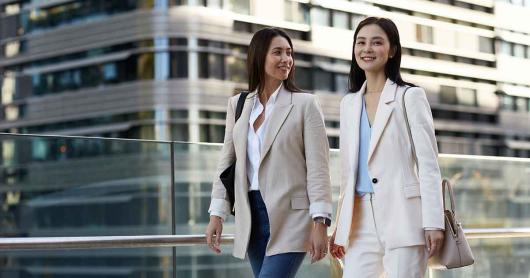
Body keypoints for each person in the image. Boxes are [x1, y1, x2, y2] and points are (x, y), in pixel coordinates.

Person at [205, 27, 332, 278]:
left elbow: (319, 168)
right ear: (259, 57)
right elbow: (227, 163)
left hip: (292, 218)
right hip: (250, 216)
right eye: (277, 52)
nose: (286, 59)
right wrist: (216, 214)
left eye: (289, 53)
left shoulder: (305, 104)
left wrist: (321, 222)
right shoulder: (239, 105)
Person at [329, 17, 445, 277]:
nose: (367, 49)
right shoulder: (349, 103)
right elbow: (348, 173)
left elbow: (428, 165)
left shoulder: (410, 96)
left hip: (403, 216)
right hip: (359, 221)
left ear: (392, 50)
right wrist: (341, 222)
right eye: (361, 42)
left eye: (376, 42)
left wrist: (433, 222)